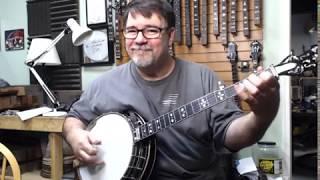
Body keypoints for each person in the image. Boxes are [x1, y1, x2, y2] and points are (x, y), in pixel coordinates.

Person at [63, 0, 280, 179]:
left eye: (151, 30)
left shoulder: (202, 78)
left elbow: (231, 136)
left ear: (171, 35)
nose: (139, 39)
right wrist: (75, 136)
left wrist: (262, 114)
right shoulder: (105, 83)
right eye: (131, 31)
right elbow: (74, 117)